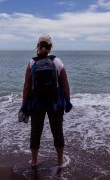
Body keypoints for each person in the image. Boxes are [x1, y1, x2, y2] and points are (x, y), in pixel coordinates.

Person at [20, 34, 72, 167]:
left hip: (37, 103)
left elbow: (26, 87)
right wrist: (67, 101)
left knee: (36, 131)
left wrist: (24, 105)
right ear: (51, 47)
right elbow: (65, 85)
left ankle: (34, 161)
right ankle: (60, 161)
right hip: (55, 103)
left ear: (38, 46)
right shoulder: (57, 62)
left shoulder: (32, 62)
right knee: (57, 131)